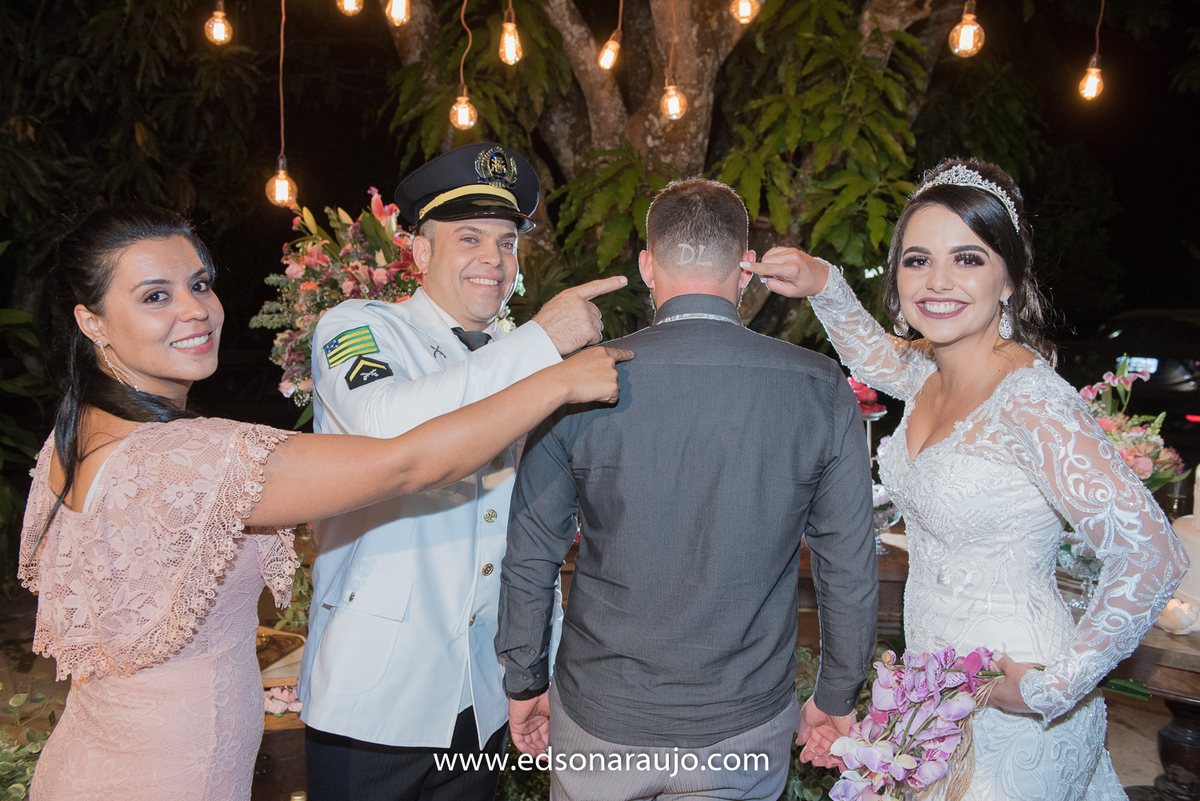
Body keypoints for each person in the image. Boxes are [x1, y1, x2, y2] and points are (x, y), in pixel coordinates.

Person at [18, 203, 629, 801]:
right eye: (155, 296)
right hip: (169, 775)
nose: (195, 310)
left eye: (199, 284)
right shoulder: (190, 456)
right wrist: (556, 370)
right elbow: (405, 462)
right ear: (91, 321)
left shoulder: (76, 440)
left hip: (121, 753)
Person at [746, 156, 1188, 799]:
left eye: (970, 259)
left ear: (1009, 278)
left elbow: (1153, 553)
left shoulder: (1033, 402)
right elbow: (872, 353)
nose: (938, 281)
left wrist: (1050, 686)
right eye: (918, 260)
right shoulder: (929, 371)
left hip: (1015, 706)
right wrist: (824, 283)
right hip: (930, 688)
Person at [495, 177, 879, 801]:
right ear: (745, 270)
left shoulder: (576, 382)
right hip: (743, 723)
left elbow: (531, 552)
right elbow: (849, 564)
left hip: (601, 716)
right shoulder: (817, 387)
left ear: (648, 265)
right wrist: (835, 694)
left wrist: (523, 676)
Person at [298, 143, 628, 801]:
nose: (494, 259)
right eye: (469, 237)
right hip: (372, 702)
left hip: (478, 702)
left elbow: (534, 528)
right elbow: (388, 429)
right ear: (419, 253)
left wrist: (538, 670)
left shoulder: (519, 363)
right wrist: (542, 346)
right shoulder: (361, 326)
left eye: (506, 242)